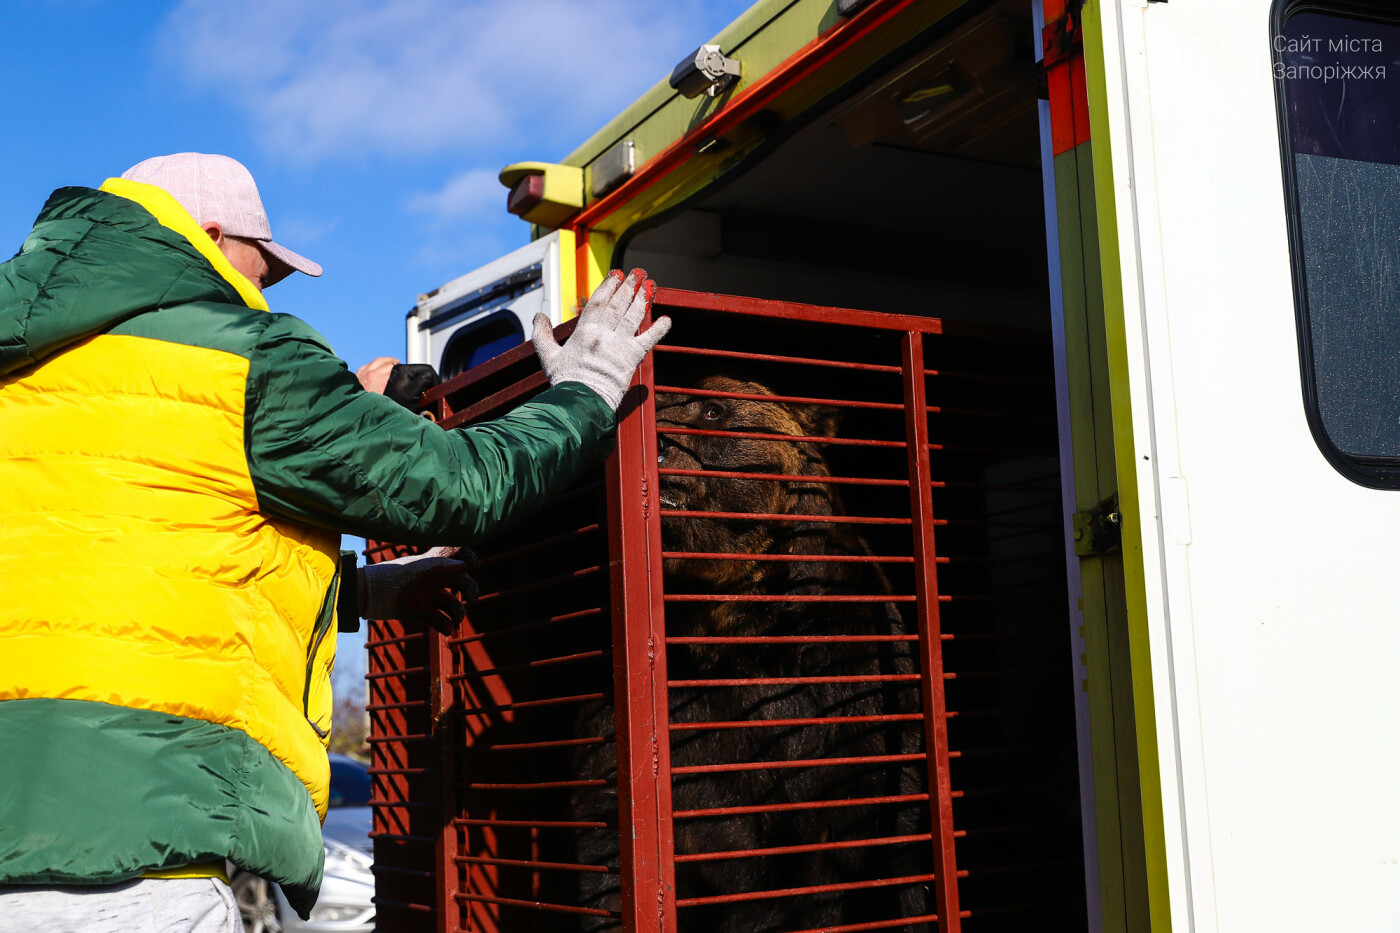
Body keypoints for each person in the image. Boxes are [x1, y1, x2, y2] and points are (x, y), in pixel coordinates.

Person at [0, 152, 669, 931]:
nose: (261, 293)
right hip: (133, 859)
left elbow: (116, 556)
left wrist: (360, 591)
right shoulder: (250, 355)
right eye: (262, 270)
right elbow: (464, 486)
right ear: (209, 235)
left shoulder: (30, 361)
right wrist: (587, 389)